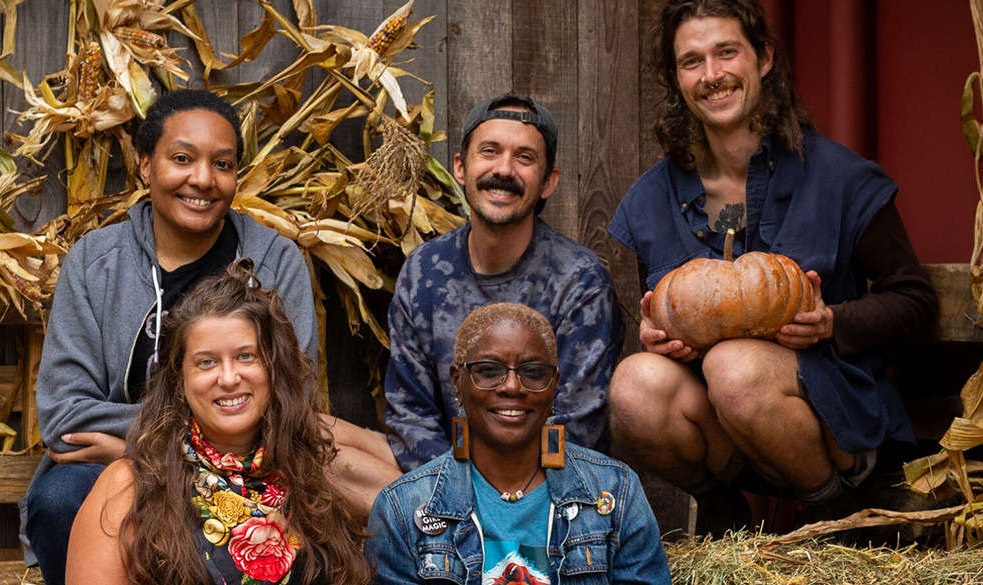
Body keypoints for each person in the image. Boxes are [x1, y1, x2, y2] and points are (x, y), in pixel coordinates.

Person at [23, 89, 397, 583]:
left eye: (222, 163)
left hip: (255, 461)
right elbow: (66, 418)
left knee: (345, 509)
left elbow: (292, 391)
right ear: (145, 167)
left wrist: (153, 444)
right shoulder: (95, 263)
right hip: (130, 469)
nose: (202, 178)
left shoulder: (273, 259)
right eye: (182, 159)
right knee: (62, 496)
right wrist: (167, 449)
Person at [606, 0, 938, 529]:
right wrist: (664, 336)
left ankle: (832, 510)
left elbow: (915, 302)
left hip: (834, 423)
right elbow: (679, 311)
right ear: (675, 78)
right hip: (730, 432)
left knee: (733, 366)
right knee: (633, 385)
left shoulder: (838, 176)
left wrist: (833, 322)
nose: (712, 75)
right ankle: (724, 513)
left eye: (726, 53)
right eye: (692, 61)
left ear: (762, 59)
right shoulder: (655, 197)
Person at [67, 259, 370, 585]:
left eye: (245, 356)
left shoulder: (314, 480)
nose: (228, 378)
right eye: (206, 362)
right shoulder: (128, 488)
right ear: (178, 380)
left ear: (273, 369)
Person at [385, 92, 625, 472]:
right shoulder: (422, 272)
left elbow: (576, 429)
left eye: (524, 158)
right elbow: (410, 414)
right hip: (445, 474)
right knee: (329, 443)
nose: (504, 170)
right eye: (490, 151)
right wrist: (457, 491)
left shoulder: (580, 281)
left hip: (547, 488)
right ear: (461, 167)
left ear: (548, 182)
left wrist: (499, 496)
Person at [367, 303, 669, 584]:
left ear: (554, 386)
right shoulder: (402, 509)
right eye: (489, 370)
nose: (512, 386)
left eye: (533, 372)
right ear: (458, 382)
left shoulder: (615, 491)